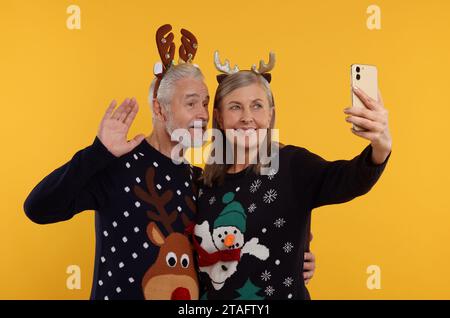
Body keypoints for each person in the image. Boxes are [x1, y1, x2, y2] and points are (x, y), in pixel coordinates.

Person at [23, 25, 316, 300]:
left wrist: (293, 259)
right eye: (191, 103)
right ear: (159, 110)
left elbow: (224, 246)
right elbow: (39, 208)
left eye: (204, 103)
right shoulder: (117, 166)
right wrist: (97, 153)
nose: (203, 115)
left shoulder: (201, 180)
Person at [191, 51, 392, 300]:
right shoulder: (201, 184)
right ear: (219, 117)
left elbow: (349, 179)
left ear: (270, 114)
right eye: (235, 107)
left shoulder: (292, 165)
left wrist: (380, 147)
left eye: (257, 105)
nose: (247, 117)